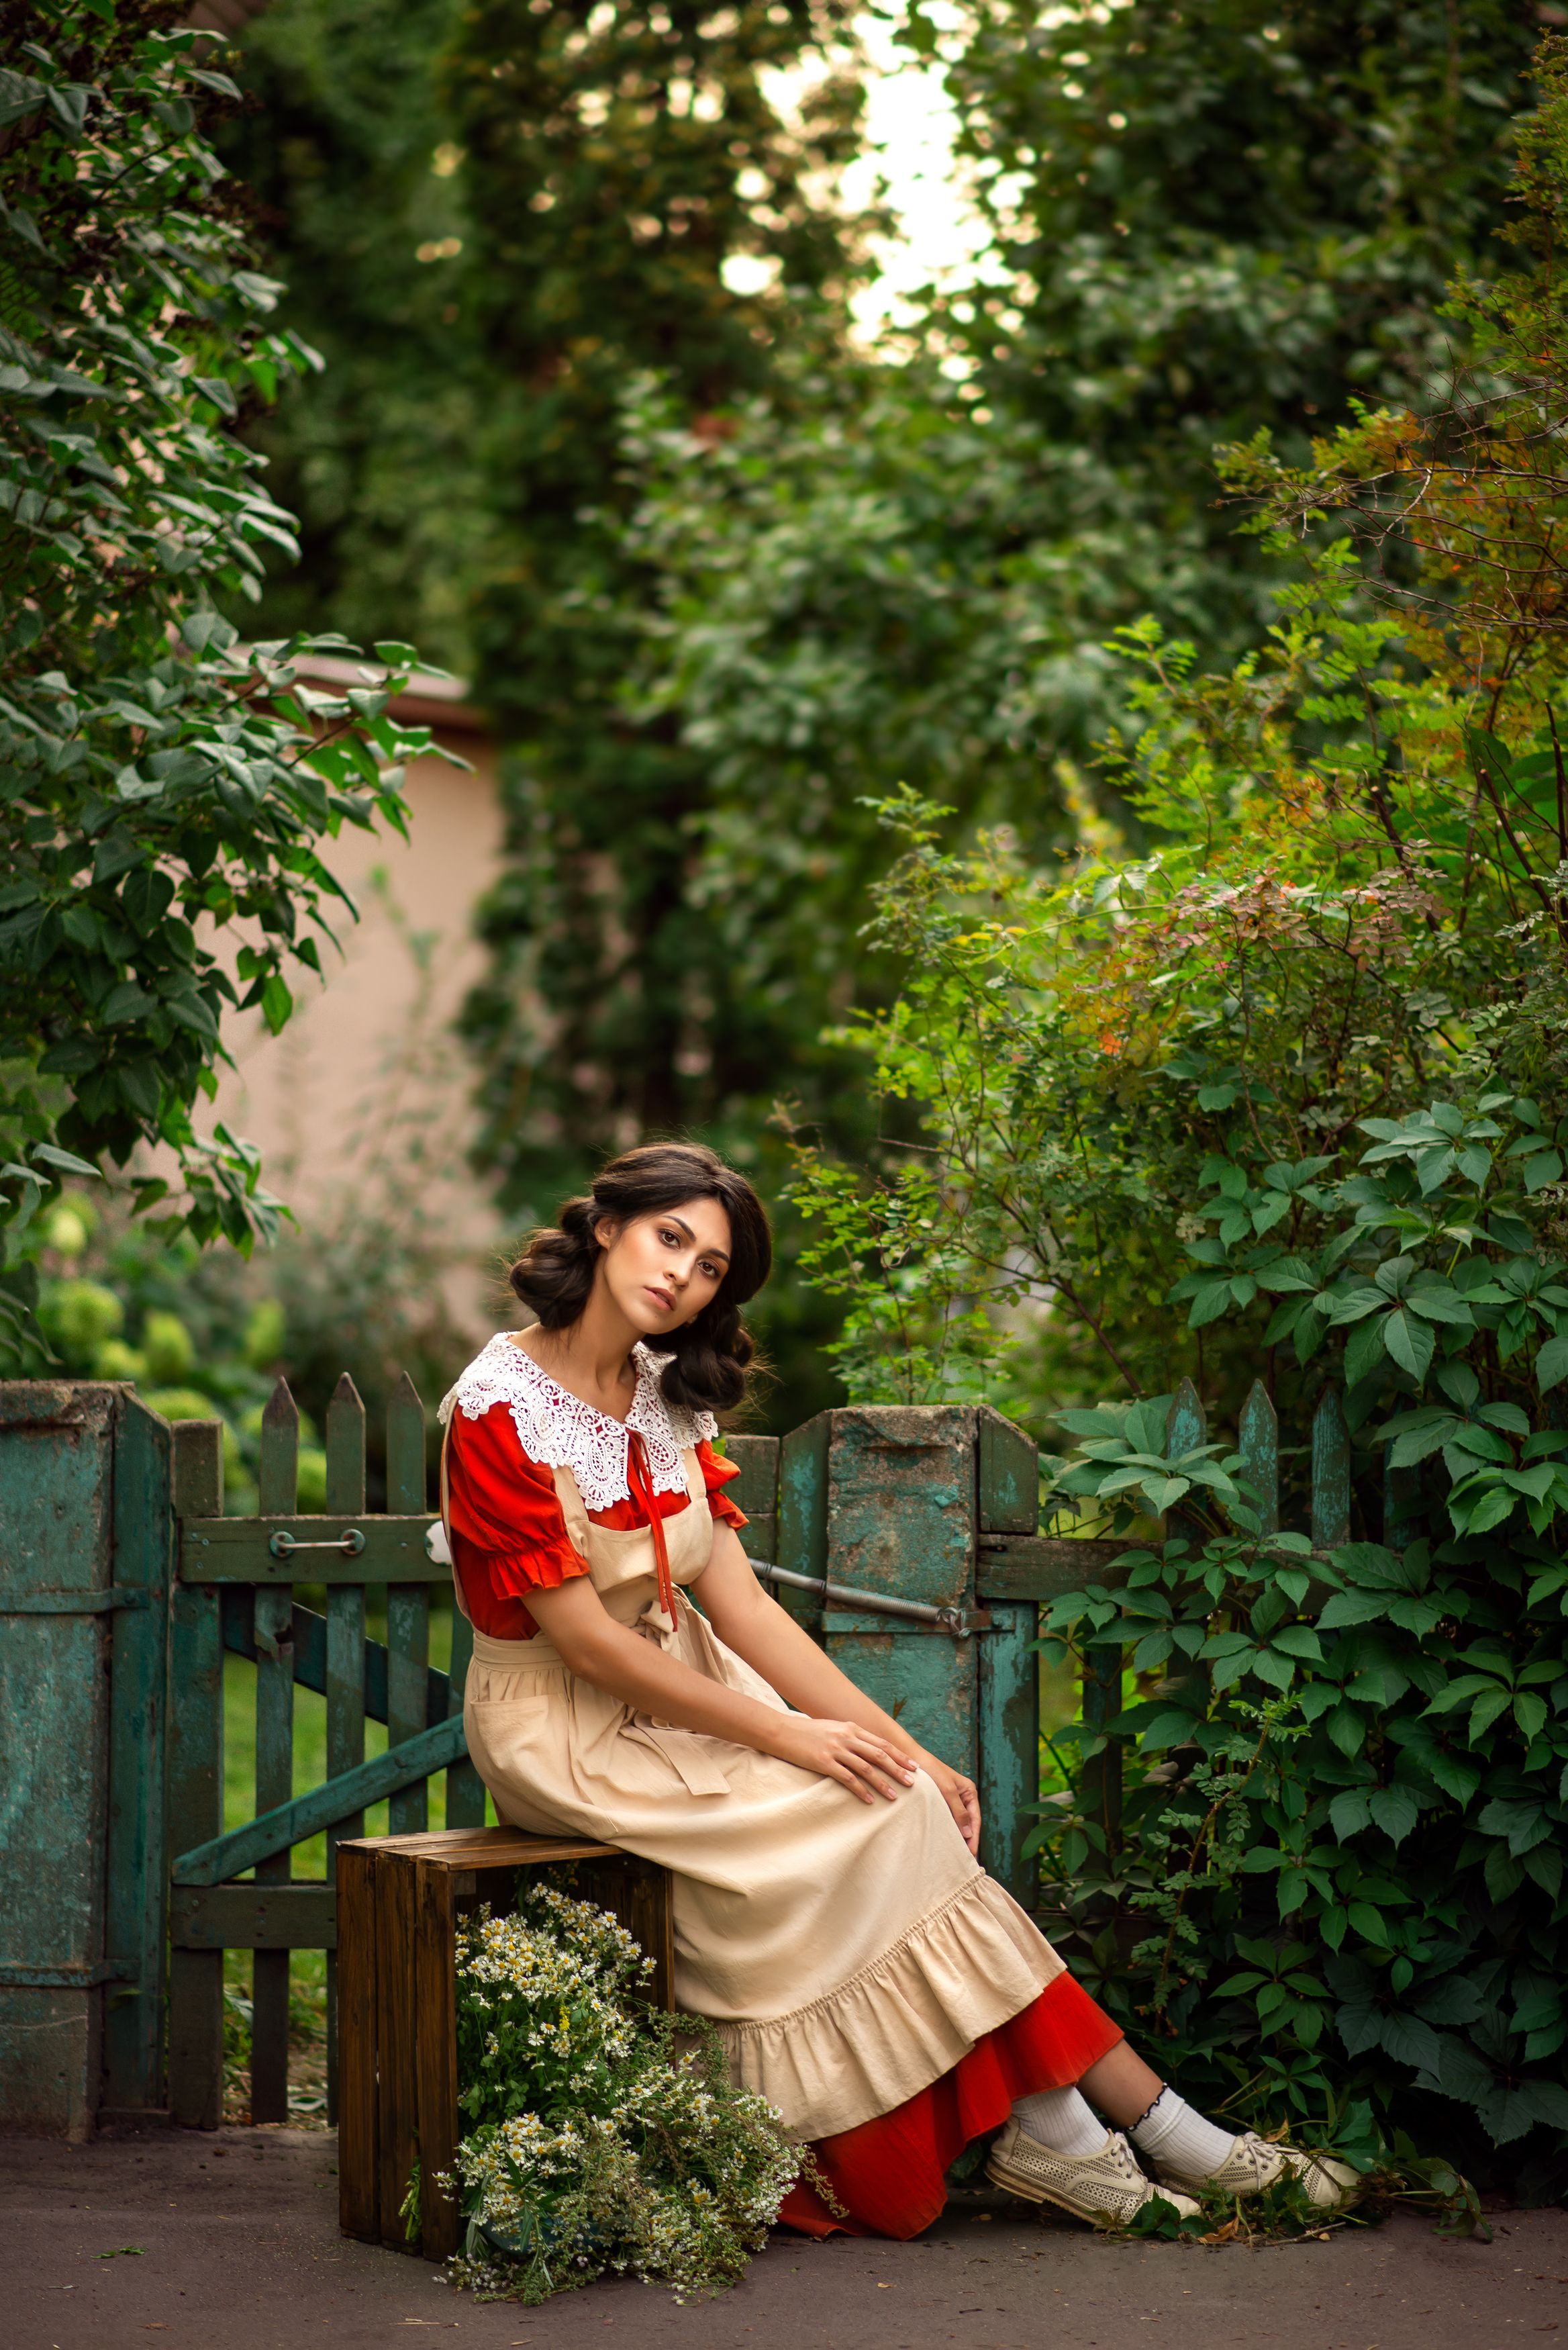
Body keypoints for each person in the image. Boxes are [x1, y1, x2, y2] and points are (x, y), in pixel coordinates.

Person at [437, 1141, 1356, 2238]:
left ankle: (1087, 2130)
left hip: (689, 1693)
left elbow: (747, 1611)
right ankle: (1143, 2129)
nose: (683, 1274)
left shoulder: (661, 1396)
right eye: (669, 1238)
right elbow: (590, 1646)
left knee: (902, 1794)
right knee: (868, 1815)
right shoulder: (500, 1406)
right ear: (606, 1229)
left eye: (711, 1266)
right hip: (568, 1735)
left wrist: (909, 1750)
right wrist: (795, 1741)